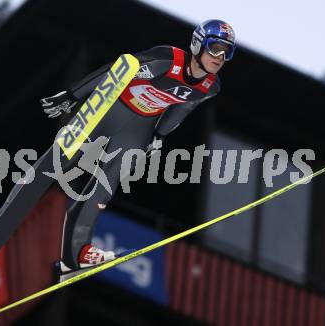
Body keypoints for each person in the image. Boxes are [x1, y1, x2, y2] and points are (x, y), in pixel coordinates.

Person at [41, 19, 236, 275]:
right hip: (111, 110)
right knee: (67, 158)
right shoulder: (167, 59)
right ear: (198, 44)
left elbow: (181, 109)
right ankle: (31, 181)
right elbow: (118, 69)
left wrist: (159, 136)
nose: (220, 57)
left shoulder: (210, 86)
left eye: (227, 51)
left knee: (105, 189)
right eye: (215, 48)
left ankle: (75, 255)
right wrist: (72, 95)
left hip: (139, 127)